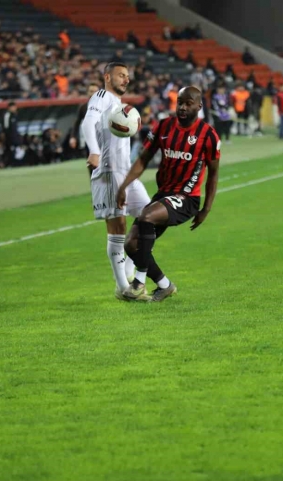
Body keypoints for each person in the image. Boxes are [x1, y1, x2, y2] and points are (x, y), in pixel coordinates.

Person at [116, 87, 221, 302]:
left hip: (186, 198)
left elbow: (213, 174)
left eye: (188, 103)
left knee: (146, 217)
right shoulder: (163, 126)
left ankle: (139, 282)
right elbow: (143, 159)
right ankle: (165, 286)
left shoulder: (208, 135)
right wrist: (124, 186)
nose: (182, 107)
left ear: (199, 106)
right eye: (179, 102)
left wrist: (206, 209)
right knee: (131, 245)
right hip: (163, 196)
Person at [80, 62, 152, 300]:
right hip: (109, 171)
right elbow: (87, 123)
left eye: (128, 76)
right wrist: (94, 151)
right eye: (121, 75)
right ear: (107, 77)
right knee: (117, 228)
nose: (126, 79)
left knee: (149, 217)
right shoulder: (101, 96)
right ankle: (123, 288)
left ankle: (130, 273)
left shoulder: (120, 106)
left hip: (125, 172)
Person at [3, 102, 21, 167]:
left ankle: (15, 163)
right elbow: (6, 127)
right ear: (9, 108)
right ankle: (9, 164)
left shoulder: (15, 115)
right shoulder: (7, 115)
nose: (15, 108)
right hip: (9, 138)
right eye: (13, 107)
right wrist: (8, 137)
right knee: (9, 151)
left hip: (15, 137)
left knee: (16, 151)